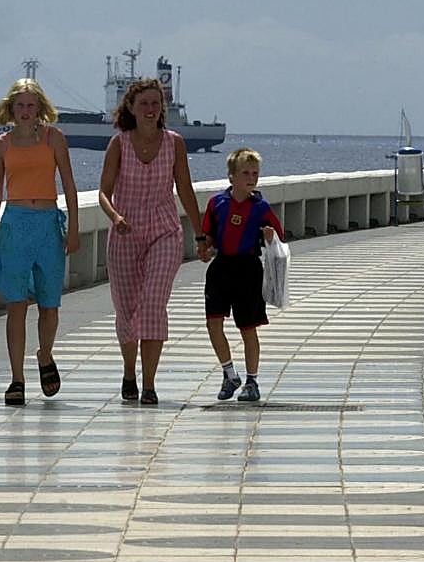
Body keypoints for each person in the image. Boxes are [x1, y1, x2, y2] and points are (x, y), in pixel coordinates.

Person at [98, 78, 203, 405]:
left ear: (163, 108)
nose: (150, 109)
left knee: (154, 302)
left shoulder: (174, 143)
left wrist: (201, 234)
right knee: (127, 309)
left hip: (164, 231)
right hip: (125, 231)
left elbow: (185, 189)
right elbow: (103, 191)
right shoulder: (119, 144)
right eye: (143, 103)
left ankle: (149, 384)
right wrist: (115, 216)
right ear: (130, 107)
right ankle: (129, 371)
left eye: (155, 103)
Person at [0, 79, 80, 405]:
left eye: (30, 105)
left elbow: (68, 183)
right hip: (15, 224)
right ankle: (17, 379)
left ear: (40, 108)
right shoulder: (1, 145)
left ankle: (45, 354)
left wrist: (74, 228)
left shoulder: (54, 138)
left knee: (50, 305)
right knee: (16, 305)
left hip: (48, 224)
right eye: (20, 106)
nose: (25, 112)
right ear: (11, 109)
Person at [197, 148, 285, 403]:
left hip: (248, 268)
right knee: (213, 323)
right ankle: (229, 373)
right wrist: (205, 247)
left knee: (248, 327)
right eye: (245, 173)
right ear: (231, 177)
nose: (251, 178)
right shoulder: (217, 203)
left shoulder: (261, 207)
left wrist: (270, 236)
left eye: (255, 173)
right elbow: (208, 235)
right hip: (221, 267)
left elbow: (279, 237)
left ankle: (252, 380)